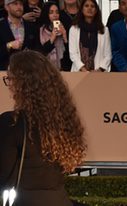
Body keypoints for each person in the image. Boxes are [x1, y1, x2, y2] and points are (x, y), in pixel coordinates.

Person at [0, 50, 86, 206]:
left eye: (11, 79)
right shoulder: (64, 120)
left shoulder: (11, 122)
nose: (9, 85)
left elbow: (4, 176)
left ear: (24, 83)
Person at [69, 0, 111, 72]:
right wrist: (83, 69)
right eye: (86, 6)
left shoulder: (104, 30)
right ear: (82, 9)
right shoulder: (74, 29)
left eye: (92, 6)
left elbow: (108, 55)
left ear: (96, 10)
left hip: (99, 73)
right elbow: (73, 54)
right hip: (79, 72)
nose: (89, 8)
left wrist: (99, 70)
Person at [0, 0, 40, 70]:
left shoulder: (32, 27)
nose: (19, 7)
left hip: (29, 74)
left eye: (21, 4)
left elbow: (38, 51)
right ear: (6, 7)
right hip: (5, 74)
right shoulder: (1, 26)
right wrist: (9, 45)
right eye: (15, 4)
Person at [38, 1, 68, 70]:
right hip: (45, 70)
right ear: (46, 14)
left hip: (62, 70)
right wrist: (52, 38)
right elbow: (40, 54)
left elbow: (69, 56)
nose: (55, 15)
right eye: (51, 12)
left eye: (57, 12)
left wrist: (64, 37)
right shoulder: (40, 30)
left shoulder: (63, 28)